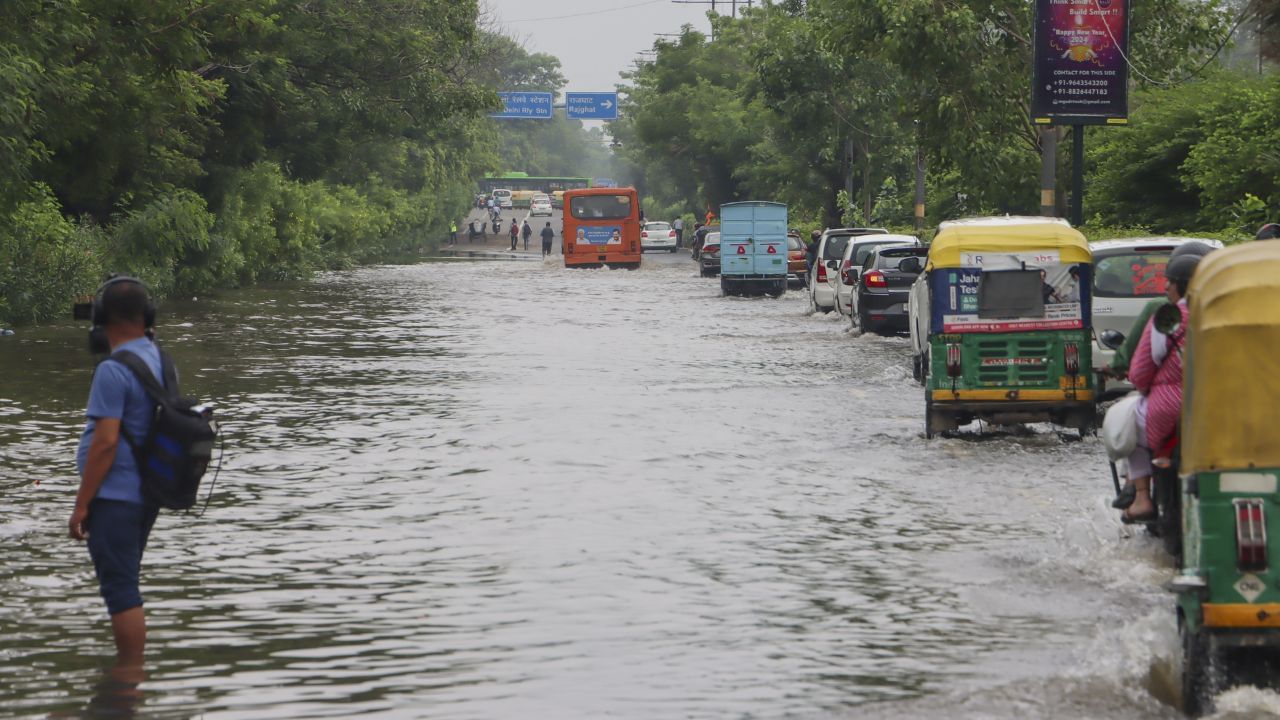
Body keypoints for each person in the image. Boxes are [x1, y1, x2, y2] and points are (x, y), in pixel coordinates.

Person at [69, 278, 165, 669]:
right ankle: (128, 685)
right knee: (126, 584)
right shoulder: (157, 357)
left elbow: (105, 442)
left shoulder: (113, 370)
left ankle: (126, 687)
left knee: (121, 591)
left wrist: (81, 504)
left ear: (102, 318)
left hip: (115, 497)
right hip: (145, 495)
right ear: (148, 317)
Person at [1119, 252, 1203, 522]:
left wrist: (1146, 387)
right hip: (1218, 407)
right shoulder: (1221, 314)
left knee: (1127, 422)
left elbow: (1139, 372)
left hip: (1169, 408)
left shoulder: (1170, 316)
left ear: (1181, 285)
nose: (1165, 287)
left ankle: (1142, 497)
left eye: (1170, 281)